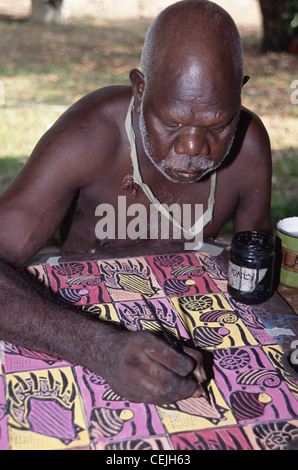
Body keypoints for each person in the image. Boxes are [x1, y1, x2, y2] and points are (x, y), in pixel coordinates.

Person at [0, 0, 272, 405]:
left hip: (194, 331)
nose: (194, 146)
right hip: (77, 330)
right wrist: (102, 348)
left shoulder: (249, 148)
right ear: (140, 88)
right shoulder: (91, 134)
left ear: (239, 92)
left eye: (217, 123)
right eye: (172, 122)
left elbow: (256, 280)